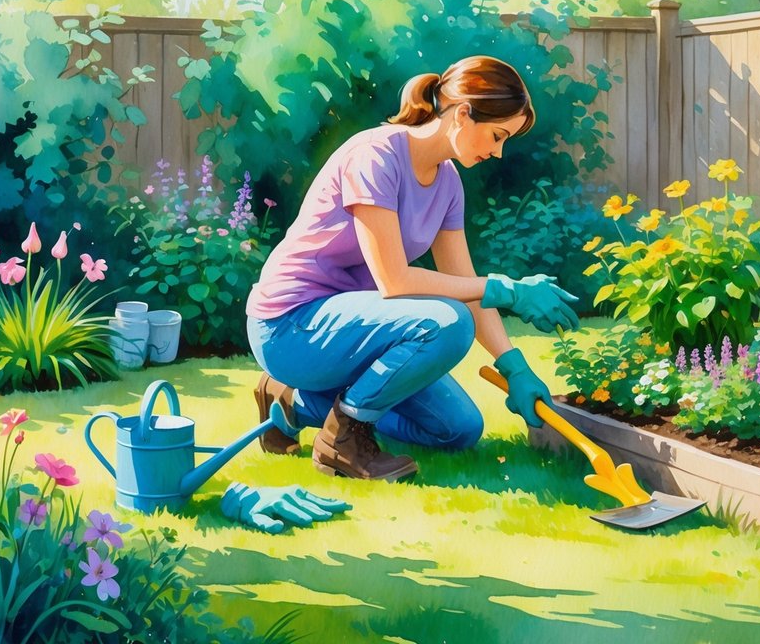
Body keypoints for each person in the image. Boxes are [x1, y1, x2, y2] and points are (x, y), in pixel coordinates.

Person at [245, 55, 581, 481]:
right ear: (462, 114)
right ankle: (344, 438)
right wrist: (509, 289)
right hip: (291, 326)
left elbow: (466, 286)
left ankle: (292, 402)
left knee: (457, 429)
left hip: (356, 331)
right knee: (448, 322)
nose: (498, 152)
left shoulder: (447, 184)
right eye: (497, 136)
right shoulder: (375, 156)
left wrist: (514, 366)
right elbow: (394, 280)